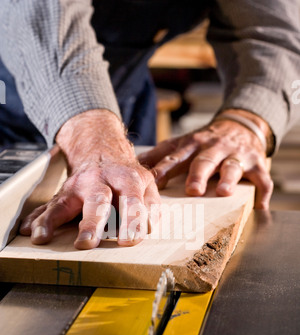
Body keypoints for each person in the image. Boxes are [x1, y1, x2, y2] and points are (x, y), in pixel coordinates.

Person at [0, 0, 299, 249]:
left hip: (125, 103)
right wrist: (92, 137)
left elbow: (273, 32)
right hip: (8, 104)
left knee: (129, 225)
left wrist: (246, 121)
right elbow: (38, 11)